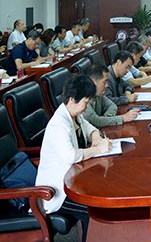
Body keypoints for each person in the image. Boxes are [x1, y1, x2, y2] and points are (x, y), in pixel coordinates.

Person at [35, 75, 111, 242]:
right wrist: (98, 149)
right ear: (72, 99)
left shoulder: (74, 115)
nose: (87, 106)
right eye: (86, 102)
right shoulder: (58, 124)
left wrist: (95, 136)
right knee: (91, 211)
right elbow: (71, 156)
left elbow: (90, 128)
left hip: (73, 180)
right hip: (56, 192)